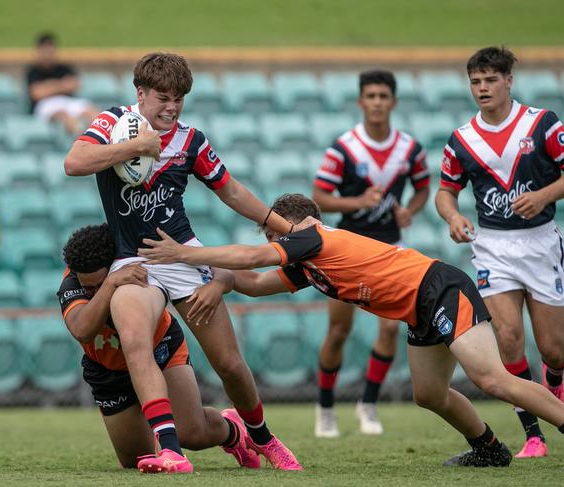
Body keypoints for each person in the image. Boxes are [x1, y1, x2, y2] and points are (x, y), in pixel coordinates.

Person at [138, 192, 564, 467]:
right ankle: (489, 449)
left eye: (275, 233)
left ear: (296, 224)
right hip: (421, 309)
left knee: (491, 378)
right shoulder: (310, 264)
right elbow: (253, 283)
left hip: (441, 289)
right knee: (429, 394)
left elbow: (252, 259)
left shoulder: (313, 238)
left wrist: (185, 252)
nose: (275, 243)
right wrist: (210, 273)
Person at [64, 52, 303, 471]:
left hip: (182, 257)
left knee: (228, 363)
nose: (171, 107)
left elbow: (230, 191)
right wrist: (137, 146)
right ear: (140, 93)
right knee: (137, 341)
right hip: (131, 261)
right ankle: (171, 450)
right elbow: (74, 163)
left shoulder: (192, 141)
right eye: (162, 97)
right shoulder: (112, 123)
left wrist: (281, 224)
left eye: (179, 98)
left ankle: (263, 437)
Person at [435, 46, 564, 459]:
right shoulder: (462, 139)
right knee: (508, 339)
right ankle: (534, 436)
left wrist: (542, 194)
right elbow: (444, 192)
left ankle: (555, 384)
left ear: (509, 81)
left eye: (491, 80)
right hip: (493, 246)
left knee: (553, 348)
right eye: (476, 81)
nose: (483, 88)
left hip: (541, 241)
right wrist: (452, 217)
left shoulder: (542, 123)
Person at [58, 223, 260, 473]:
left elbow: (221, 270)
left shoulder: (136, 259)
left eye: (99, 284)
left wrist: (218, 283)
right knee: (134, 461)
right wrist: (110, 284)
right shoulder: (74, 280)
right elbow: (82, 330)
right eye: (89, 289)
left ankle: (233, 431)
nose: (93, 291)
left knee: (191, 434)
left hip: (160, 348)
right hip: (107, 369)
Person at [312, 69, 430, 437]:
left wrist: (412, 209)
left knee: (390, 330)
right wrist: (358, 201)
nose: (377, 102)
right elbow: (320, 197)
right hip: (345, 249)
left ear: (393, 102)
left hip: (389, 249)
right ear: (361, 101)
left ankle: (368, 404)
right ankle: (326, 408)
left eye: (383, 96)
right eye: (371, 96)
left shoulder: (409, 149)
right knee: (338, 331)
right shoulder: (344, 147)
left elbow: (424, 187)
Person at [26, 33, 99, 135]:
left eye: (50, 49)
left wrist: (49, 86)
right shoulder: (33, 71)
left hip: (67, 101)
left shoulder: (64, 67)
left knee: (89, 110)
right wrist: (62, 85)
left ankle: (102, 138)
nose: (48, 53)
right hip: (46, 105)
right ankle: (81, 140)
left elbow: (75, 84)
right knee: (63, 114)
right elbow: (37, 94)